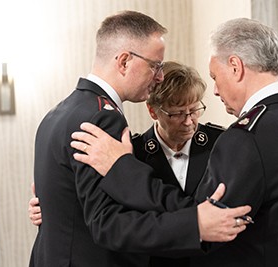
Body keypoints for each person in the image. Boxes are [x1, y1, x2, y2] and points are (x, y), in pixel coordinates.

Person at [70, 18, 278, 266]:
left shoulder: (245, 138)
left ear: (236, 67)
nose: (215, 89)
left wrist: (121, 168)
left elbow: (202, 219)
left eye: (215, 76)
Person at [29, 11, 251, 267]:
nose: (159, 76)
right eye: (155, 65)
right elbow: (107, 222)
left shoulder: (57, 114)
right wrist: (196, 224)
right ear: (124, 61)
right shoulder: (103, 119)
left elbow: (72, 203)